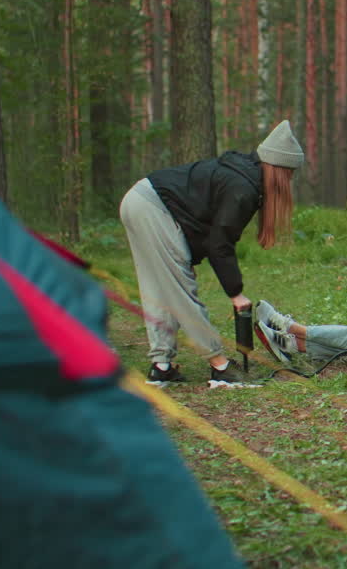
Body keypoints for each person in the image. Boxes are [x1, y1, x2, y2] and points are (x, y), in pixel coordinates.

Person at [119, 120, 304, 385]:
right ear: (279, 170)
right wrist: (235, 292)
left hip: (140, 201)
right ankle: (220, 366)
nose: (290, 181)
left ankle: (161, 365)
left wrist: (189, 257)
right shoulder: (244, 188)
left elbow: (200, 219)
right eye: (290, 174)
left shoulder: (243, 176)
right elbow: (220, 243)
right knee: (181, 292)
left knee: (159, 289)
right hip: (152, 208)